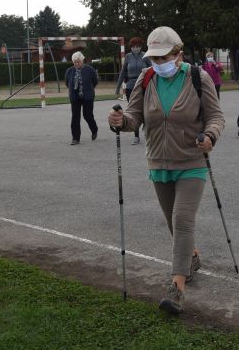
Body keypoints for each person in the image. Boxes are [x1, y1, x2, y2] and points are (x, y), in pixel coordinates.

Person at [108, 26, 224, 315]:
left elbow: (216, 116)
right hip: (158, 162)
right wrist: (120, 120)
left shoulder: (199, 77)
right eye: (155, 59)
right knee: (173, 224)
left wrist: (210, 136)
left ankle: (177, 288)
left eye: (164, 58)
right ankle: (192, 257)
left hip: (191, 161)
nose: (159, 64)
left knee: (182, 220)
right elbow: (134, 117)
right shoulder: (146, 79)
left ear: (178, 53)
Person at [115, 37, 151, 144]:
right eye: (134, 47)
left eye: (138, 46)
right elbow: (123, 73)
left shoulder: (146, 56)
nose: (136, 48)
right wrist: (118, 88)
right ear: (131, 47)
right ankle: (136, 136)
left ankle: (148, 130)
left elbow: (153, 70)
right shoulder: (128, 57)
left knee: (146, 109)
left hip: (144, 85)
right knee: (133, 110)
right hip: (130, 86)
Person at [65, 51, 99, 145]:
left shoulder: (89, 69)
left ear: (82, 60)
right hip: (75, 97)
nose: (76, 64)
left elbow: (95, 81)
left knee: (87, 115)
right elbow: (67, 83)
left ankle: (94, 129)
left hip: (88, 96)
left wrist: (88, 89)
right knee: (75, 117)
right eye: (75, 62)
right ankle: (75, 138)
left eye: (78, 61)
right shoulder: (69, 71)